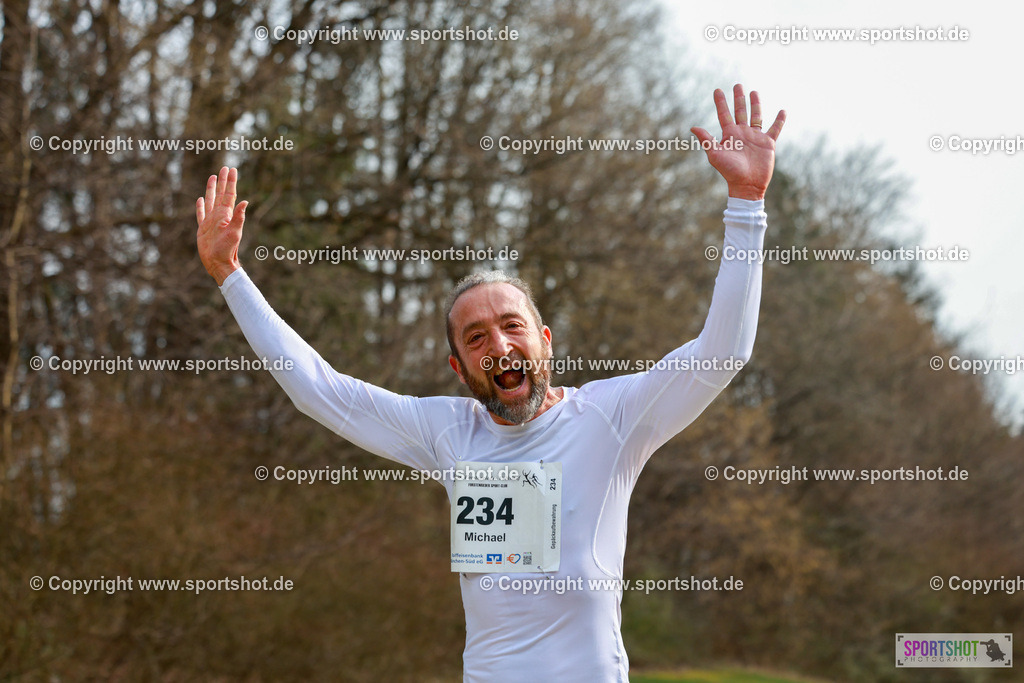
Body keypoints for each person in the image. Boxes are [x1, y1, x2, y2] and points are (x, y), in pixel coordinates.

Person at [195, 85, 785, 682]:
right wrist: (230, 276)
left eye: (511, 326)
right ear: (459, 369)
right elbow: (317, 389)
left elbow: (722, 355)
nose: (498, 346)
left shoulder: (613, 417)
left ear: (545, 341)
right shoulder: (446, 432)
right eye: (475, 338)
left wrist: (746, 204)